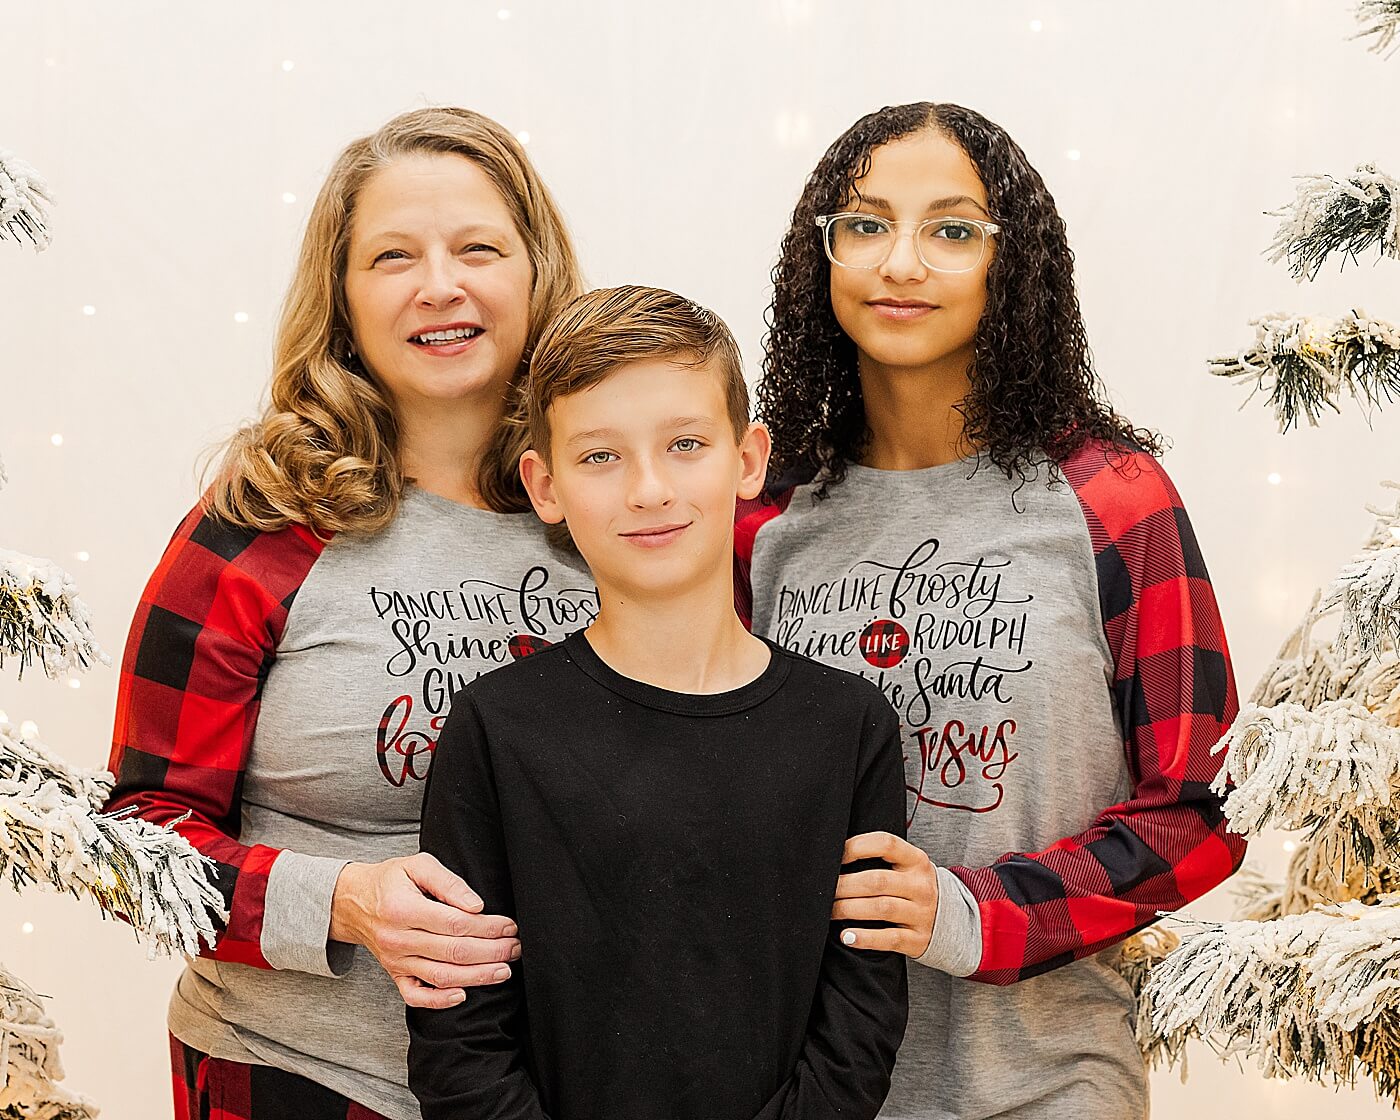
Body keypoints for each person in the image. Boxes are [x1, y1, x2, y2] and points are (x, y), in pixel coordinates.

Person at [735, 102, 1248, 1118]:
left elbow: (1201, 809)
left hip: (1043, 1081)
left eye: (952, 229)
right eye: (866, 224)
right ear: (820, 257)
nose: (901, 262)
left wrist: (972, 913)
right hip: (798, 1083)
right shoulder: (761, 516)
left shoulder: (1110, 497)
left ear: (1011, 268)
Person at [104, 106, 590, 1120]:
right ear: (343, 297)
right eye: (391, 256)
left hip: (563, 1083)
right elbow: (141, 845)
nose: (439, 285)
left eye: (477, 248)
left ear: (537, 272)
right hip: (296, 1074)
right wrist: (344, 902)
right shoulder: (260, 527)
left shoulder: (614, 510)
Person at [407, 285, 909, 1120]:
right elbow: (461, 1039)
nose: (648, 489)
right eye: (600, 456)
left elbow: (860, 1024)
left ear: (747, 460)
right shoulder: (497, 729)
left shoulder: (848, 728)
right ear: (546, 485)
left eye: (684, 444)